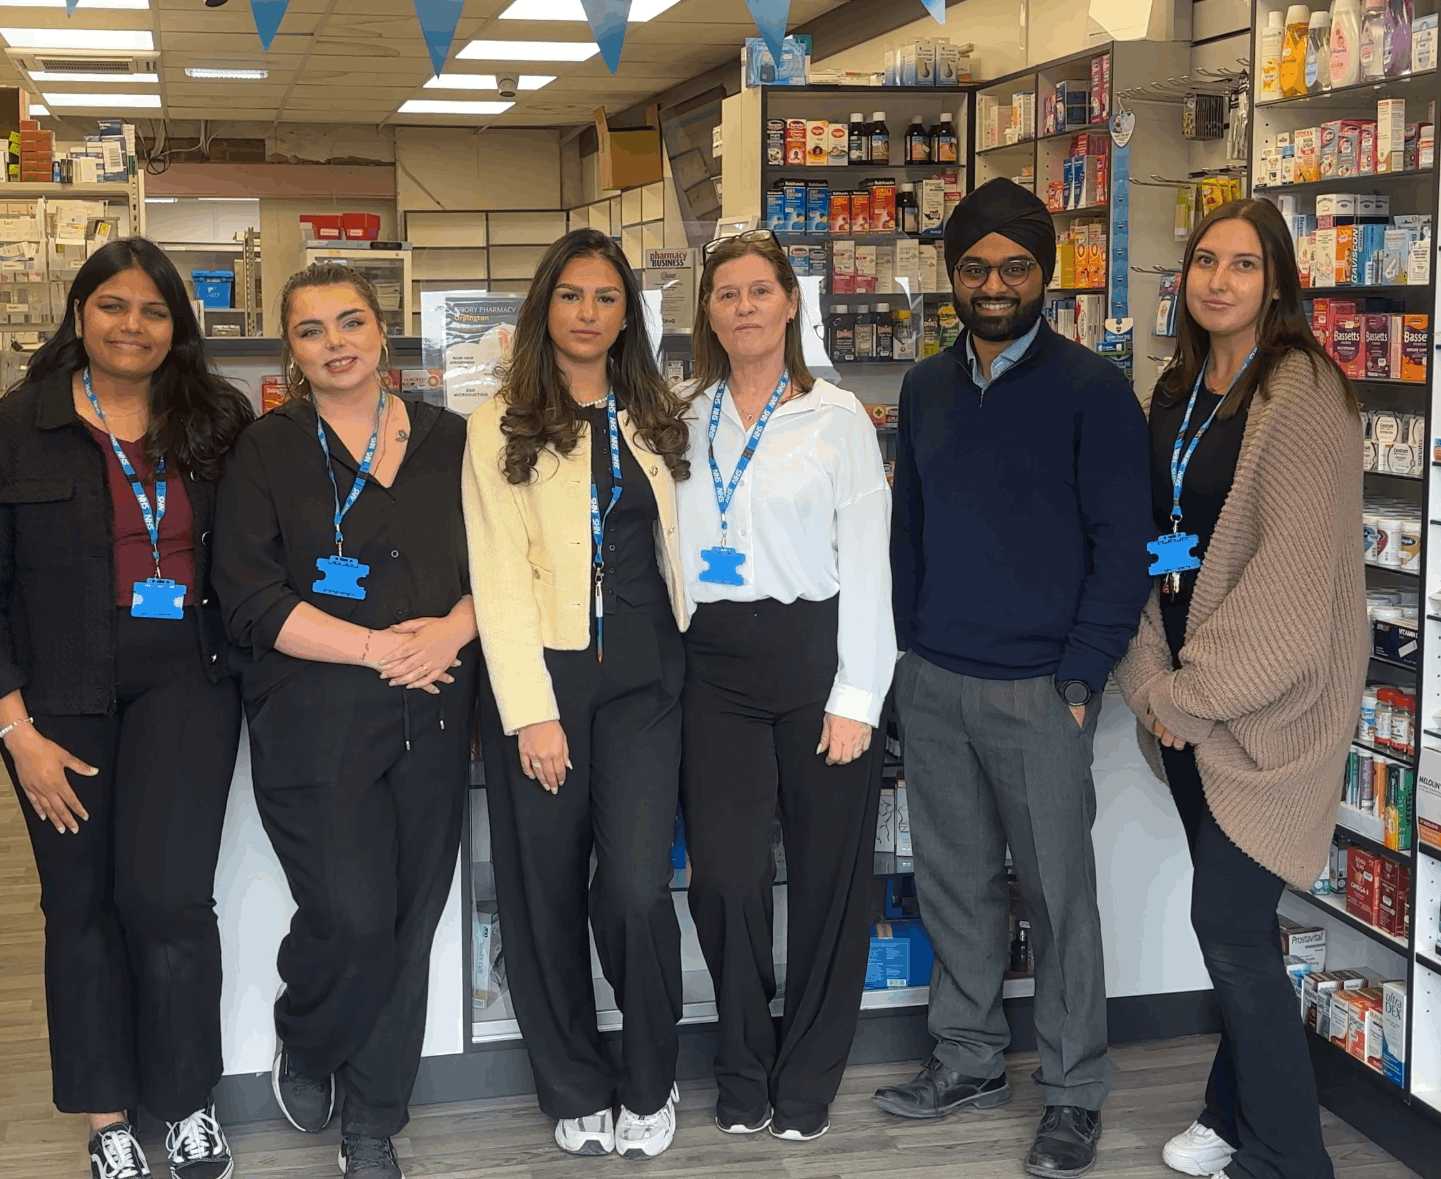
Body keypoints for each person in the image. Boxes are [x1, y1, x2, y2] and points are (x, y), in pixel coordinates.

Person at [0, 239, 253, 1179]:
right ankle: (107, 1118)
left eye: (154, 310)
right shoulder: (17, 426)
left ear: (177, 326)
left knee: (169, 901)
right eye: (113, 305)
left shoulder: (217, 419)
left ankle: (187, 1102)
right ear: (79, 313)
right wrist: (16, 733)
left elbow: (258, 552)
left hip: (188, 684)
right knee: (78, 904)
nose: (133, 326)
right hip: (59, 703)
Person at [878, 176, 1154, 1179]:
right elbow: (908, 532)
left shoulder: (1093, 390)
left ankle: (1074, 1093)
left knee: (1058, 898)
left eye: (1015, 267)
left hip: (1040, 689)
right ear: (951, 274)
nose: (993, 285)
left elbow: (1124, 546)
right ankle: (968, 1060)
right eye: (975, 268)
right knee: (955, 887)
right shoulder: (925, 388)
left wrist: (1081, 677)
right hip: (936, 680)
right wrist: (906, 658)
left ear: (1047, 274)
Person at [1115, 199, 1364, 1179]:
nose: (1219, 281)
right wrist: (1152, 681)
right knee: (1242, 931)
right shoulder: (1176, 388)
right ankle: (1230, 1113)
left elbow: (1289, 587)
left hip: (1270, 715)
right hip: (1183, 705)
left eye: (1245, 264)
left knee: (1225, 924)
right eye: (1206, 260)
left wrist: (1186, 696)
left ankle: (1292, 1158)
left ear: (1278, 282)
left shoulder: (1301, 389)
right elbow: (1154, 546)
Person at [212, 263, 476, 1179]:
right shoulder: (267, 449)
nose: (336, 343)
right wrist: (375, 651)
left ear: (383, 329)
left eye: (351, 321)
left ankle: (373, 1122)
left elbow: (508, 563)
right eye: (312, 329)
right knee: (355, 918)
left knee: (410, 925)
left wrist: (451, 630)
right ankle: (308, 1032)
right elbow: (248, 598)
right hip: (314, 719)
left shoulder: (452, 439)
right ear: (292, 349)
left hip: (433, 709)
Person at [463, 228, 693, 1159]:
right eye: (571, 295)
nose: (588, 313)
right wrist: (531, 713)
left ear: (628, 314)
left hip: (647, 678)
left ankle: (649, 1078)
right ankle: (572, 1082)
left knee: (636, 886)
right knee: (543, 891)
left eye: (606, 297)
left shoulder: (658, 413)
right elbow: (498, 577)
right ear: (544, 309)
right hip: (545, 679)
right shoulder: (499, 424)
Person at [676, 233, 893, 1144]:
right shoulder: (681, 415)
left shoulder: (838, 418)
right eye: (726, 294)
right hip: (712, 666)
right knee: (724, 879)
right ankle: (743, 1062)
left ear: (791, 302)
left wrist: (858, 696)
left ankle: (807, 1077)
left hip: (817, 659)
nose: (744, 308)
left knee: (827, 881)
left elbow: (869, 564)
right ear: (708, 311)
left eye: (760, 290)